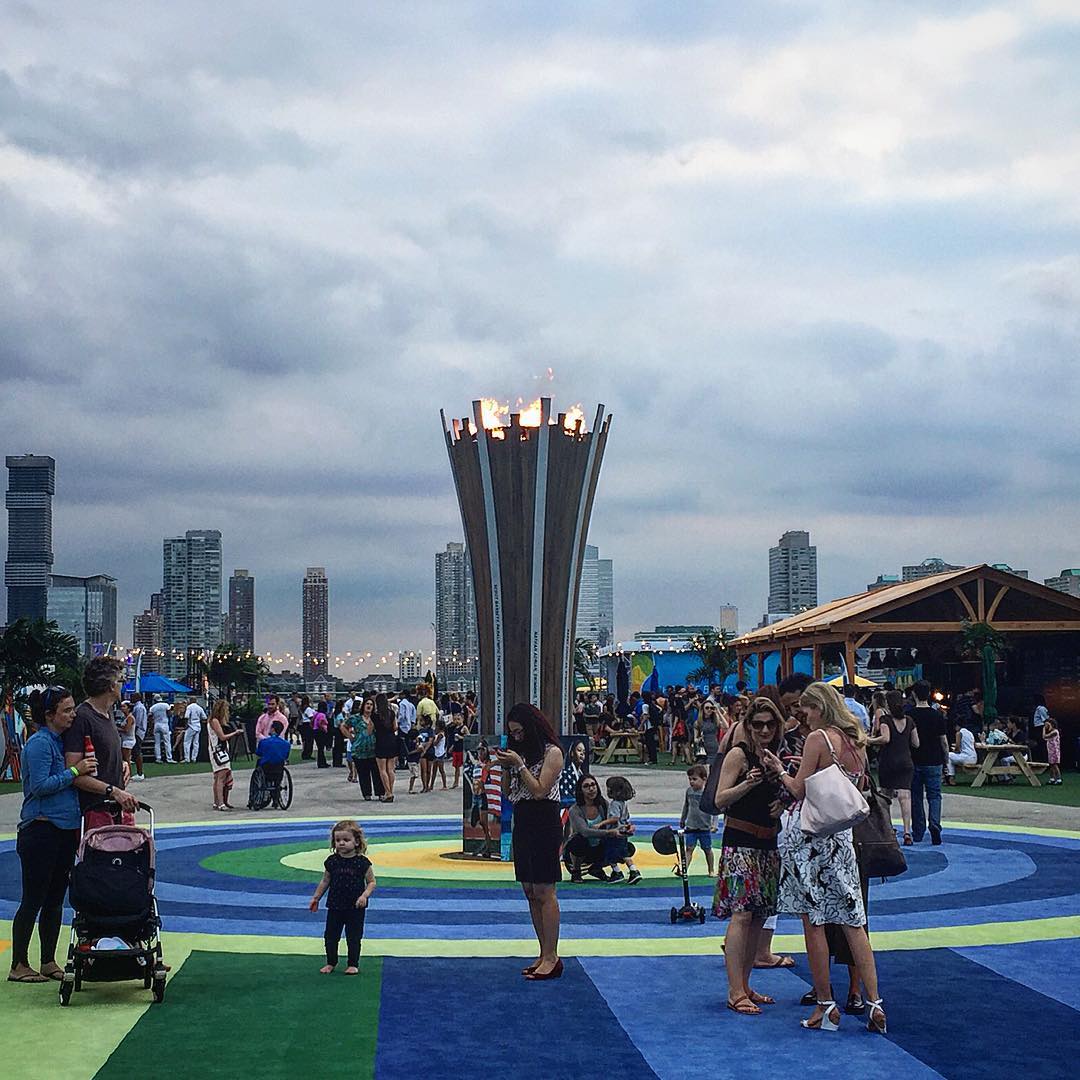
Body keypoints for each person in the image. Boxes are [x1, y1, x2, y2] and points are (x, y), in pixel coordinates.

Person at [762, 682, 886, 1034]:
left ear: (819, 707)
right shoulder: (856, 742)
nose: (803, 716)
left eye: (806, 709)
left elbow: (798, 789)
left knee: (814, 923)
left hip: (812, 840)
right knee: (854, 923)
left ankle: (825, 1005)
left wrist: (779, 769)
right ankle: (875, 1003)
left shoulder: (819, 739)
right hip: (843, 840)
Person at [9, 686, 97, 984]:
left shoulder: (61, 743)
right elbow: (39, 786)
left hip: (64, 830)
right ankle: (19, 963)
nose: (73, 715)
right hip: (41, 830)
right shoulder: (40, 744)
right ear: (49, 715)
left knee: (55, 899)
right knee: (33, 899)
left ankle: (48, 960)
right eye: (66, 710)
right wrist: (74, 772)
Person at [712, 697, 784, 1016]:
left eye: (770, 724)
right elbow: (719, 799)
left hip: (767, 844)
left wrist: (783, 802)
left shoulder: (773, 756)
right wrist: (747, 784)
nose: (765, 730)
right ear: (749, 726)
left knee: (758, 916)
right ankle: (735, 990)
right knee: (741, 914)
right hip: (740, 842)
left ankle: (745, 984)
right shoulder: (739, 755)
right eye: (758, 724)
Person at [495, 702, 565, 979]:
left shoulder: (552, 753)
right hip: (522, 818)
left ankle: (552, 955)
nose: (517, 737)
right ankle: (543, 951)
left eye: (520, 732)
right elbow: (508, 792)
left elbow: (539, 790)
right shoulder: (520, 753)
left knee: (545, 889)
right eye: (513, 733)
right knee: (530, 890)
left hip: (544, 818)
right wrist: (505, 768)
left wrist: (520, 765)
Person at [63, 657, 140, 828]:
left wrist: (121, 765)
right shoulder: (82, 718)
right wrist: (113, 791)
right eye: (121, 680)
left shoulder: (107, 713)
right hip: (96, 811)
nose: (123, 685)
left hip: (116, 808)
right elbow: (74, 774)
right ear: (111, 685)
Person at [308, 820, 375, 975]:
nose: (341, 843)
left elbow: (371, 882)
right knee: (330, 936)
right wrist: (316, 897)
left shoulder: (362, 863)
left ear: (356, 841)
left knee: (353, 937)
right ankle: (331, 962)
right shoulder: (332, 861)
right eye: (338, 840)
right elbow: (325, 880)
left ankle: (353, 963)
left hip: (355, 907)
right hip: (335, 905)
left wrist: (364, 895)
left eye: (346, 840)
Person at [867, 690, 919, 843]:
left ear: (888, 705)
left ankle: (888, 829)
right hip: (905, 761)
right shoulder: (909, 720)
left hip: (888, 761)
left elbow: (885, 738)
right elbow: (916, 743)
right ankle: (907, 831)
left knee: (886, 796)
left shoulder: (885, 720)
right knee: (905, 797)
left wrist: (869, 740)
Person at [909, 681, 949, 844]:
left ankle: (918, 831)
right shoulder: (937, 715)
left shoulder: (909, 715)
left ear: (914, 694)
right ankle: (935, 824)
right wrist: (946, 760)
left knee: (916, 796)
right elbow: (943, 741)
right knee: (934, 796)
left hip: (915, 759)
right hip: (934, 760)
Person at [565, 775, 618, 883]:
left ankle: (597, 867)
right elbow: (585, 832)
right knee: (578, 841)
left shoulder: (603, 804)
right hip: (581, 850)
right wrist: (609, 832)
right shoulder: (575, 810)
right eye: (586, 786)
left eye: (593, 785)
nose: (591, 789)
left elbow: (614, 821)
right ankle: (576, 871)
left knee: (626, 847)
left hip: (598, 847)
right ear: (580, 791)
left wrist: (625, 828)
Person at [681, 764, 718, 875]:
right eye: (690, 779)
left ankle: (711, 869)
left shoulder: (707, 793)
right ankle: (684, 870)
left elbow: (714, 808)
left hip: (704, 827)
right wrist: (683, 819)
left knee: (707, 849)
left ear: (704, 779)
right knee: (689, 849)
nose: (691, 782)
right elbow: (686, 806)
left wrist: (714, 824)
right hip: (691, 826)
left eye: (694, 779)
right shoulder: (689, 791)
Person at [604, 776, 641, 884]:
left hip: (615, 832)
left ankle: (626, 871)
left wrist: (601, 824)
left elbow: (614, 818)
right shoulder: (623, 804)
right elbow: (626, 817)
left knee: (612, 853)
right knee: (623, 852)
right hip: (623, 831)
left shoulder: (614, 804)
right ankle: (628, 870)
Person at [208, 700, 241, 811]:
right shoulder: (215, 721)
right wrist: (234, 733)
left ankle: (217, 802)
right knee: (221, 776)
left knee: (218, 777)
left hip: (218, 749)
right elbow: (222, 737)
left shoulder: (213, 720)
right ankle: (221, 803)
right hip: (218, 750)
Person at [249, 721, 290, 808]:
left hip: (265, 768)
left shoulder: (264, 742)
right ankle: (276, 797)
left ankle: (253, 798)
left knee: (259, 763)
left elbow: (259, 753)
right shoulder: (286, 744)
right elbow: (286, 756)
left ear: (273, 729)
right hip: (279, 768)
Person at [350, 698, 383, 800]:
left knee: (376, 772)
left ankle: (380, 793)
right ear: (363, 706)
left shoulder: (375, 718)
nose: (369, 706)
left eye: (371, 704)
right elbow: (343, 726)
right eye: (367, 704)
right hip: (359, 749)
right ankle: (366, 793)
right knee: (363, 773)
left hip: (373, 749)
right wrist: (350, 737)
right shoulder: (356, 718)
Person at [373, 692, 398, 802]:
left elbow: (371, 729)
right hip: (391, 740)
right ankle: (390, 791)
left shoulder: (375, 715)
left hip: (380, 740)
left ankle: (387, 792)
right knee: (390, 769)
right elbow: (395, 727)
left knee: (382, 769)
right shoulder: (391, 713)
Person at [946, 720, 977, 784]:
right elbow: (974, 745)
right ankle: (950, 777)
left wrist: (954, 750)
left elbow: (957, 747)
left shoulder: (959, 733)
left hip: (966, 758)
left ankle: (951, 777)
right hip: (973, 757)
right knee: (951, 756)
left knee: (948, 755)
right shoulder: (970, 733)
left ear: (957, 726)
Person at [150, 695, 173, 763]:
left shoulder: (152, 707)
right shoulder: (166, 705)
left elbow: (150, 718)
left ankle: (158, 758)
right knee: (167, 742)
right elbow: (169, 714)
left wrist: (151, 728)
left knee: (157, 743)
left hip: (156, 724)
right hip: (164, 724)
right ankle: (169, 758)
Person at [129, 693, 147, 781]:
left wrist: (133, 732)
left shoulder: (139, 708)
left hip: (138, 732)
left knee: (137, 751)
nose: (130, 698)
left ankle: (140, 773)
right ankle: (139, 772)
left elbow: (138, 722)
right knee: (136, 752)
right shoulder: (137, 707)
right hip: (139, 731)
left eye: (132, 697)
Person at [117, 700, 137, 777]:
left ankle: (129, 774)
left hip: (129, 740)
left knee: (126, 758)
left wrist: (116, 729)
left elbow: (126, 730)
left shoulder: (130, 718)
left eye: (124, 707)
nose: (122, 708)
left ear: (129, 708)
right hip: (125, 739)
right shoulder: (125, 717)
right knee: (125, 758)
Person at [183, 698, 206, 764]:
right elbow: (204, 717)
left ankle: (187, 758)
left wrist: (186, 726)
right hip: (198, 726)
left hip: (191, 726)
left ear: (190, 701)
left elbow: (186, 717)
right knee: (196, 743)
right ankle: (194, 758)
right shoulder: (199, 708)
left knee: (187, 742)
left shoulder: (189, 707)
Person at [431, 719, 449, 790]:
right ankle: (431, 785)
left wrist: (432, 740)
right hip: (437, 753)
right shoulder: (438, 734)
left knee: (441, 770)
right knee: (434, 770)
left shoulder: (440, 735)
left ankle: (444, 785)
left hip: (440, 753)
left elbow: (435, 743)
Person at [298, 695, 315, 759]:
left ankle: (305, 754)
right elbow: (311, 717)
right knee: (310, 740)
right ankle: (308, 754)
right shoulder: (308, 709)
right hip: (308, 724)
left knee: (306, 740)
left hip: (304, 724)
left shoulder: (302, 708)